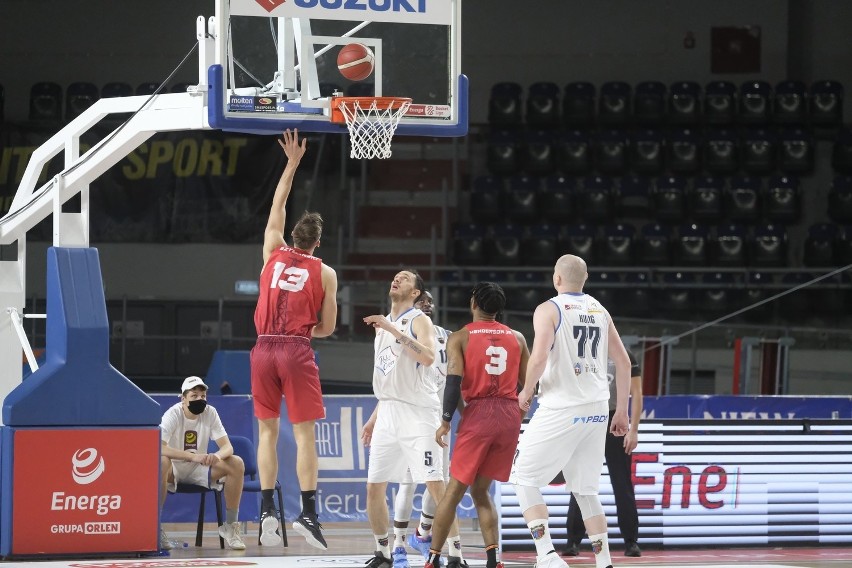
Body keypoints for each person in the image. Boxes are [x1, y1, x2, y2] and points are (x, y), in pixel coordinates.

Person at [509, 254, 631, 568]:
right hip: (598, 409)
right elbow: (625, 363)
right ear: (585, 278)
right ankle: (604, 562)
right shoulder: (599, 310)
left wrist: (526, 390)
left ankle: (547, 554)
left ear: (557, 279)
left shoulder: (548, 308)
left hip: (562, 405)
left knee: (523, 476)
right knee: (586, 490)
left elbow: (537, 358)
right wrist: (623, 413)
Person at [251, 129, 338, 549]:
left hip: (263, 347)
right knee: (304, 436)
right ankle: (308, 512)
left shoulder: (271, 248)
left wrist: (292, 163)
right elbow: (328, 328)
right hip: (296, 349)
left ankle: (266, 509)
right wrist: (304, 332)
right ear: (318, 243)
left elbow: (277, 204)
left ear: (290, 236)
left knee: (267, 433)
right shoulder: (325, 273)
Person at [361, 271, 464, 568]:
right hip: (389, 411)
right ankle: (384, 551)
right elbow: (390, 378)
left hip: (419, 413)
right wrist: (373, 418)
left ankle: (456, 554)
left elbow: (429, 357)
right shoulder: (381, 327)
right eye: (395, 277)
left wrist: (393, 330)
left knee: (435, 485)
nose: (397, 279)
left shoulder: (419, 319)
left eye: (405, 279)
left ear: (416, 292)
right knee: (374, 486)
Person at [424, 282, 530, 568]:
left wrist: (446, 421)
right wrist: (518, 414)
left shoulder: (459, 337)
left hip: (480, 412)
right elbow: (530, 385)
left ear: (474, 303)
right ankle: (494, 560)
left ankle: (432, 559)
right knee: (482, 491)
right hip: (509, 415)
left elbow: (453, 382)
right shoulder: (517, 337)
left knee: (453, 492)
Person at [386, 291, 453, 567]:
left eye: (429, 301)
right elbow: (387, 379)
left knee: (439, 482)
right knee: (408, 481)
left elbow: (456, 378)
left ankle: (423, 534)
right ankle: (398, 544)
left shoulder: (447, 336)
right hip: (408, 415)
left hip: (437, 417)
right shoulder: (397, 334)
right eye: (420, 301)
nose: (426, 304)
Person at [563, 347, 643, 558]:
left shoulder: (626, 355)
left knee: (622, 483)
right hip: (589, 420)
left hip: (615, 420)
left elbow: (637, 394)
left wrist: (633, 430)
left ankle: (631, 541)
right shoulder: (582, 353)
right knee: (581, 482)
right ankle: (573, 541)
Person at [159, 376, 246, 551]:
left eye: (203, 395)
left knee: (236, 463)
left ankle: (230, 527)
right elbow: (159, 447)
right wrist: (192, 457)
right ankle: (155, 526)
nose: (200, 399)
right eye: (194, 395)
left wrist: (217, 456)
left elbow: (227, 447)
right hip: (174, 467)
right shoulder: (173, 413)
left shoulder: (210, 412)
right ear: (183, 398)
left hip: (199, 468)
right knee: (161, 461)